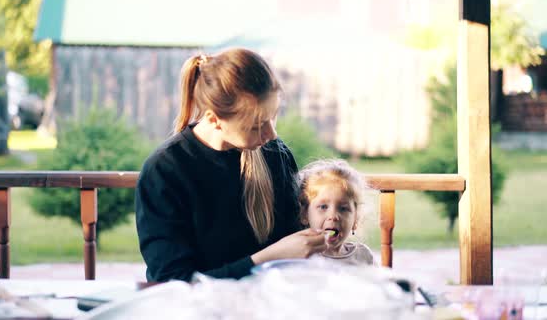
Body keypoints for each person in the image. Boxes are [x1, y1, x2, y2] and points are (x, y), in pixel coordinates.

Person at [135, 48, 327, 282]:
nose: (272, 134)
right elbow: (173, 282)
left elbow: (295, 241)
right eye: (257, 125)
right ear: (215, 119)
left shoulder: (275, 155)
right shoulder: (164, 172)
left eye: (273, 116)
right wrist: (266, 258)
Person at [297, 159, 375, 265]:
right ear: (305, 215)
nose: (333, 216)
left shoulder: (363, 256)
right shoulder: (302, 257)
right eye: (323, 207)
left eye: (343, 209)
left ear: (355, 218)